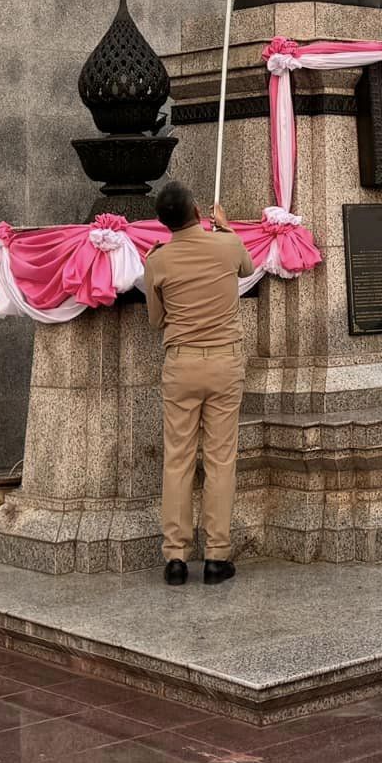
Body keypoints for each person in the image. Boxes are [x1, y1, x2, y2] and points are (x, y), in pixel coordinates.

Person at [142, 182, 255, 586]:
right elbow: (247, 266)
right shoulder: (225, 246)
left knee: (178, 459)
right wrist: (225, 227)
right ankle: (216, 556)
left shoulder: (158, 260)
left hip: (181, 363)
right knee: (221, 459)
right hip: (224, 361)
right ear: (196, 210)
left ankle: (175, 556)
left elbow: (157, 321)